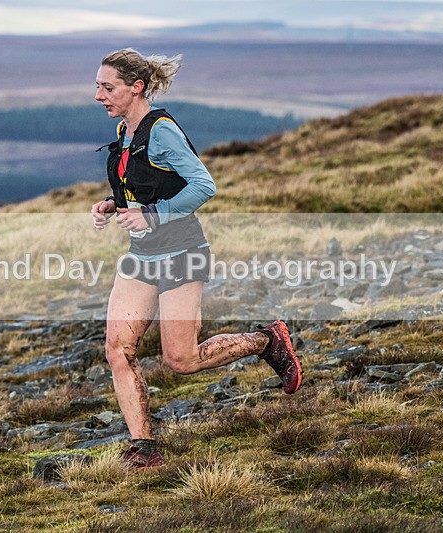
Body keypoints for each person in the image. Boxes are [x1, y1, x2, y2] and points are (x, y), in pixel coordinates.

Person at [91, 48, 303, 469]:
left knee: (181, 359)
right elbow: (147, 184)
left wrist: (153, 215)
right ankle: (144, 448)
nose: (98, 94)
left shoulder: (162, 129)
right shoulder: (125, 130)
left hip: (182, 253)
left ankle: (267, 340)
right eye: (97, 85)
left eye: (107, 86)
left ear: (136, 88)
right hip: (141, 256)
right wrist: (113, 205)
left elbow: (203, 186)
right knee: (119, 350)